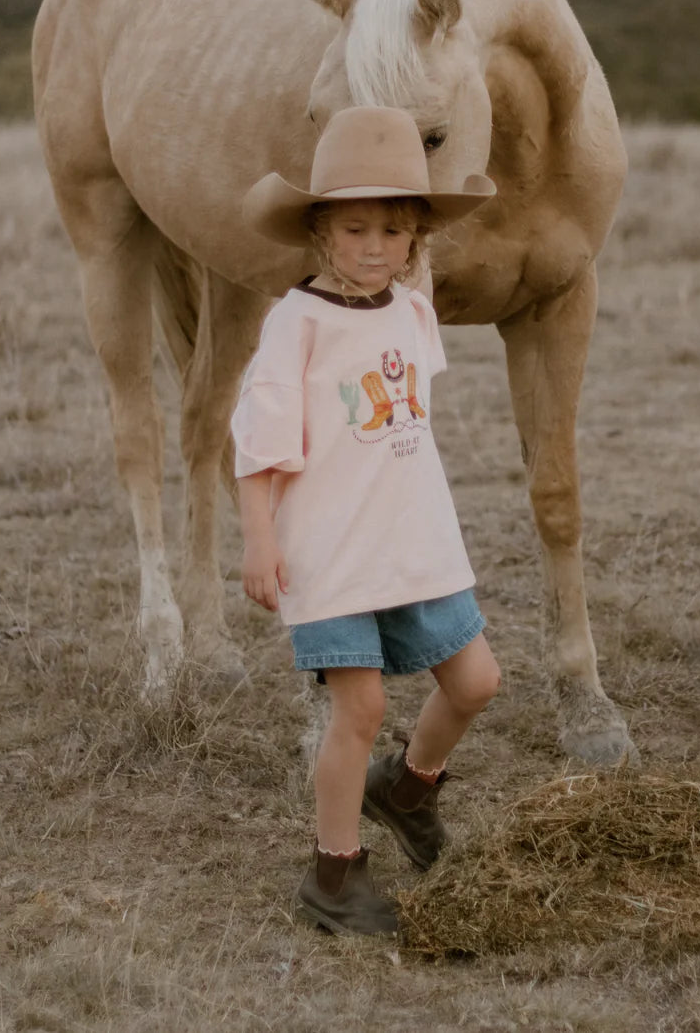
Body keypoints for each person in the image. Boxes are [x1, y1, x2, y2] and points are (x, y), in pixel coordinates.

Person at [232, 106, 501, 937]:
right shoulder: (296, 324)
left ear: (417, 237)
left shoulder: (412, 313)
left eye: (394, 228)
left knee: (476, 681)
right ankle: (334, 873)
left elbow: (400, 423)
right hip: (332, 548)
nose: (375, 245)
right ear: (320, 232)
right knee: (360, 710)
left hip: (416, 538)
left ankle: (408, 789)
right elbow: (260, 443)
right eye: (355, 228)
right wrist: (259, 538)